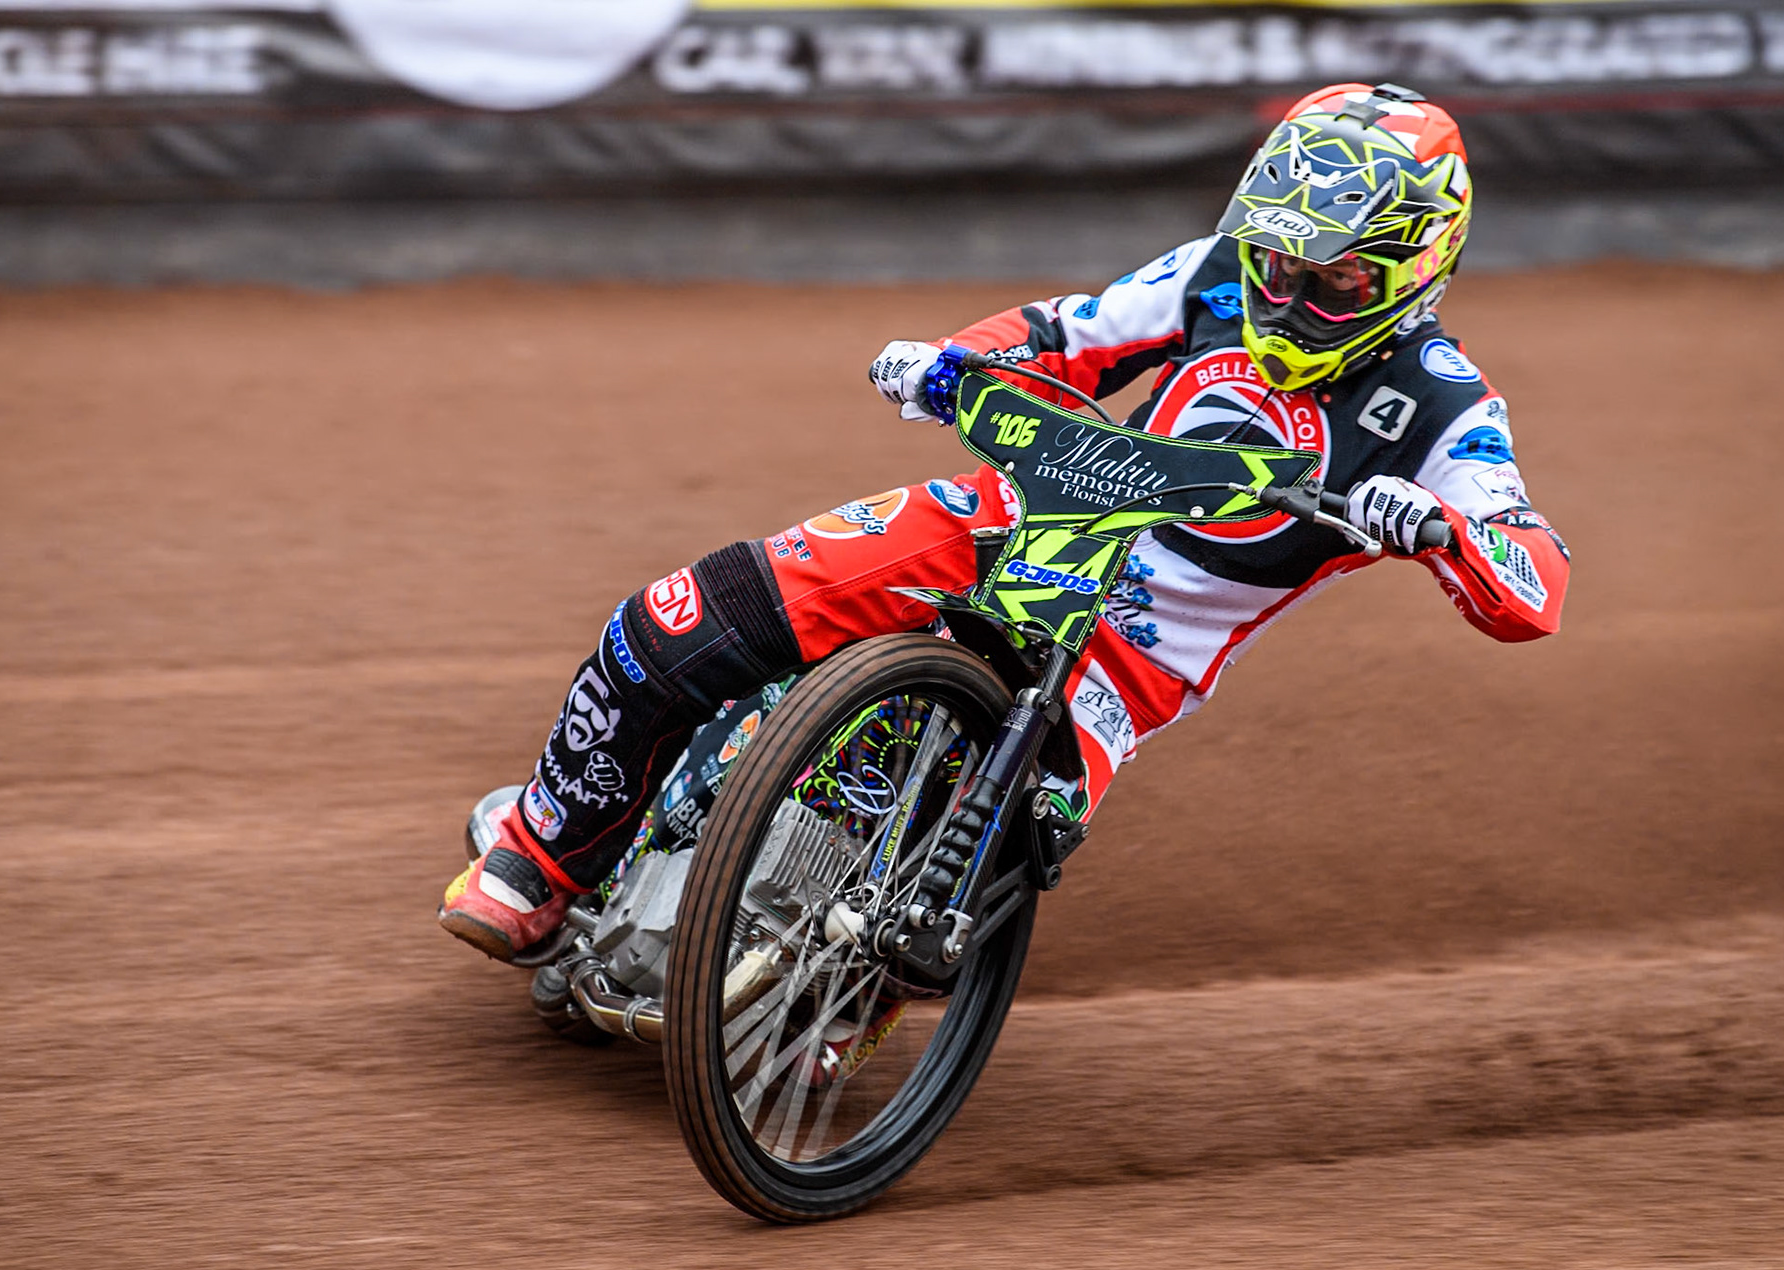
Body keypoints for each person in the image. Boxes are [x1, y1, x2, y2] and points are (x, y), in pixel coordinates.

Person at [438, 81, 1570, 971]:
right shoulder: (1214, 275)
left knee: (964, 846)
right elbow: (1059, 333)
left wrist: (1437, 530)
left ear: (1415, 266)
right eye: (1272, 260)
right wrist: (950, 362)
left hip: (1126, 659)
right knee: (671, 621)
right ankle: (540, 859)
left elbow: (1537, 581)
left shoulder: (1445, 407)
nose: (1280, 295)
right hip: (1008, 520)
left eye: (1325, 282)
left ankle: (831, 998)